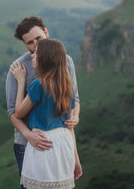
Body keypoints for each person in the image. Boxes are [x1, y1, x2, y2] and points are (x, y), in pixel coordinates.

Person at [5, 17, 80, 186]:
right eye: (30, 43)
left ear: (46, 32)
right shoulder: (18, 69)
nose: (36, 46)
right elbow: (13, 112)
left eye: (38, 38)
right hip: (27, 144)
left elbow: (74, 99)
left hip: (60, 145)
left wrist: (75, 116)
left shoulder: (65, 61)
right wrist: (29, 135)